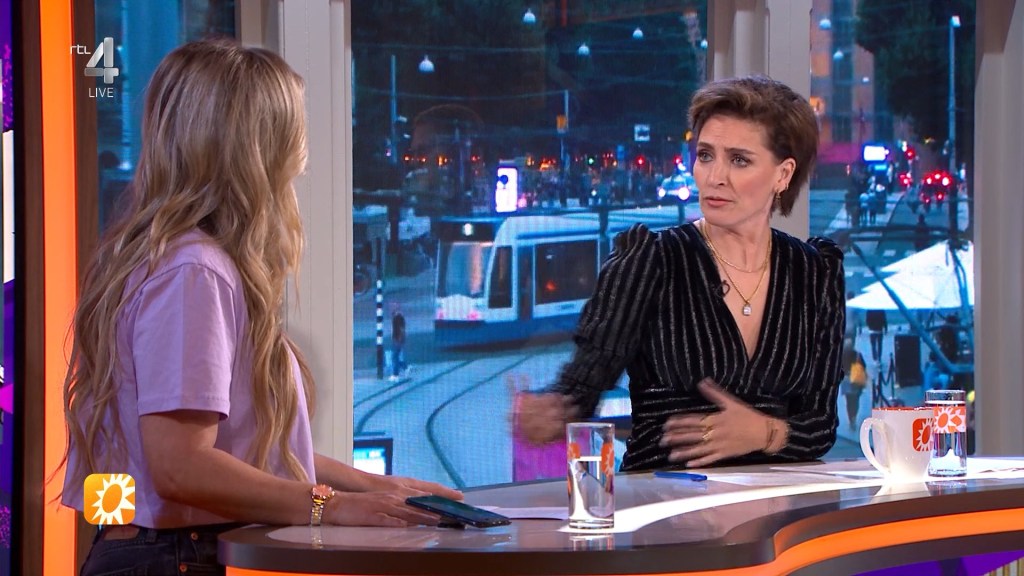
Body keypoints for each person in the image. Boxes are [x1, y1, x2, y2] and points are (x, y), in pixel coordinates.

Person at [59, 40, 461, 576]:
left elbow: (244, 453)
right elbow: (179, 466)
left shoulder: (177, 260)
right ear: (256, 148)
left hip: (159, 551)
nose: (301, 156)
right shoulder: (194, 271)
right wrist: (329, 507)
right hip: (173, 556)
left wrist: (373, 488)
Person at [516, 75, 845, 471]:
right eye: (706, 155)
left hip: (778, 501)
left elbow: (821, 427)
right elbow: (579, 390)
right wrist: (550, 411)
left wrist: (764, 433)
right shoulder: (650, 261)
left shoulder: (815, 272)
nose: (714, 176)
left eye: (739, 160)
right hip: (666, 499)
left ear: (783, 174)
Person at [840, 338, 869, 431]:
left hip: (846, 380)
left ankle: (850, 418)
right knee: (856, 400)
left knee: (848, 401)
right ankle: (854, 416)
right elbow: (864, 366)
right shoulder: (857, 355)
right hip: (856, 380)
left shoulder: (841, 356)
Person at [390, 303, 408, 380]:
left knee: (394, 356)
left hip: (398, 339)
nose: (391, 308)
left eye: (392, 307)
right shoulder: (395, 316)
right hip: (396, 339)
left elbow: (402, 329)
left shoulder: (398, 317)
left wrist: (400, 339)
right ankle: (405, 367)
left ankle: (395, 374)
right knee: (395, 356)